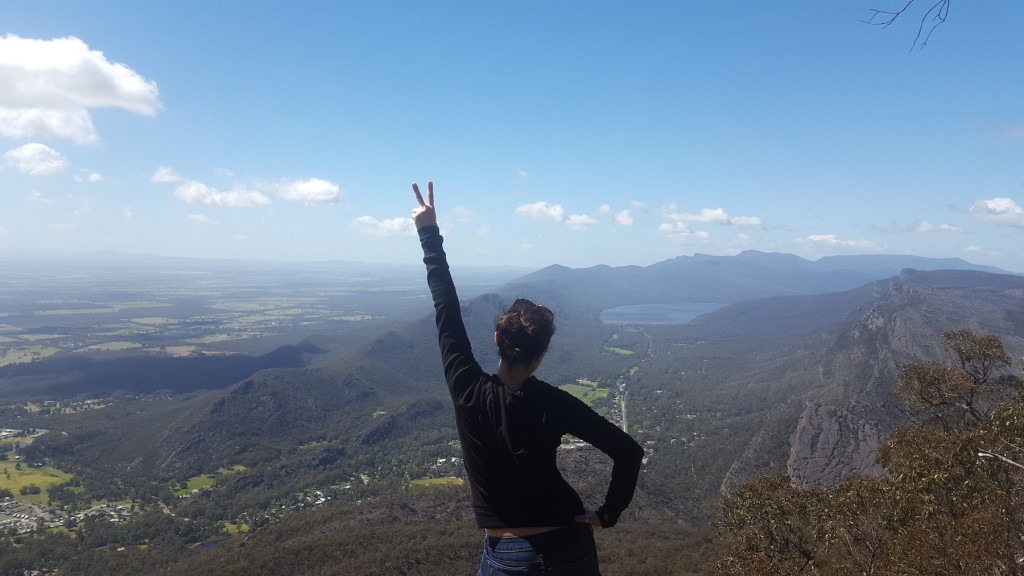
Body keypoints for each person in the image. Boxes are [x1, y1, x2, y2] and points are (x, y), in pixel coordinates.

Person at [411, 181, 644, 576]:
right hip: (569, 546)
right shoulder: (554, 402)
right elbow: (628, 451)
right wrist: (608, 514)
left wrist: (428, 232)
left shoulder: (467, 389)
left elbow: (445, 309)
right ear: (543, 355)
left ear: (497, 340)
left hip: (507, 553)